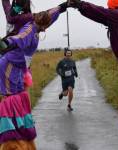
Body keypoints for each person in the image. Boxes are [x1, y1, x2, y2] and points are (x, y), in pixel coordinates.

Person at [68, 0, 118, 143]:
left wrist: (79, 4)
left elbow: (98, 11)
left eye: (109, 7)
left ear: (113, 7)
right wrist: (80, 8)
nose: (108, 9)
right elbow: (98, 15)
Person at [0, 2, 68, 150]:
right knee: (10, 98)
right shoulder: (30, 28)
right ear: (44, 26)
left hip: (18, 67)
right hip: (8, 65)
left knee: (20, 97)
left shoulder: (37, 21)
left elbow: (52, 13)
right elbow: (18, 38)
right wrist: (5, 43)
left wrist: (64, 6)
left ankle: (21, 136)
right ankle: (10, 141)